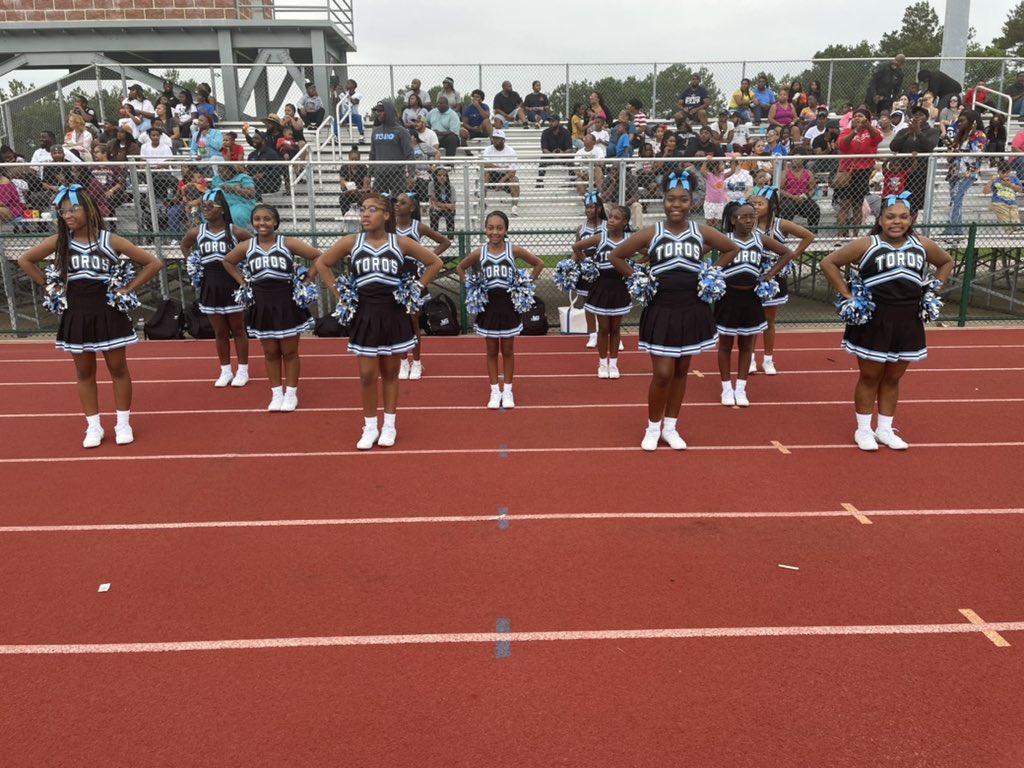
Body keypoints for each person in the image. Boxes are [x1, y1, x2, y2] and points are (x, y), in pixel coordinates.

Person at [17, 186, 162, 448]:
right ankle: (93, 426)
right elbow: (25, 260)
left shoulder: (111, 240)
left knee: (118, 369)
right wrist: (49, 286)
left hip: (108, 312)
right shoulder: (61, 242)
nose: (67, 215)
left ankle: (122, 422)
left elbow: (154, 263)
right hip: (76, 312)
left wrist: (127, 289)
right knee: (84, 372)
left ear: (89, 209)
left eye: (73, 209)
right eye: (62, 211)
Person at [608, 170, 740, 451]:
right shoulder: (651, 232)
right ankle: (652, 427)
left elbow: (731, 249)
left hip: (692, 307)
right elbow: (616, 256)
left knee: (682, 371)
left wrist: (711, 272)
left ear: (692, 202)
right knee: (663, 373)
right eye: (670, 199)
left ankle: (671, 427)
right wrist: (638, 277)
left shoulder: (700, 232)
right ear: (663, 201)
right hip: (662, 309)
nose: (676, 205)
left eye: (682, 200)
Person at [820, 195, 953, 451]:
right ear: (879, 220)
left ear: (911, 219)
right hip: (874, 318)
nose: (897, 222)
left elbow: (946, 261)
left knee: (893, 377)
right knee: (870, 376)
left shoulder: (922, 244)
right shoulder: (868, 244)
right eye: (890, 216)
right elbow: (829, 262)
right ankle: (863, 430)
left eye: (903, 216)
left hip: (908, 319)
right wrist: (848, 295)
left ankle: (884, 429)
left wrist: (933, 291)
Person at [318, 193, 442, 448]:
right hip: (365, 312)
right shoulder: (351, 242)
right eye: (363, 209)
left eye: (372, 209)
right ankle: (369, 426)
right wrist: (339, 294)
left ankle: (389, 426)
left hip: (393, 312)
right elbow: (322, 263)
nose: (365, 214)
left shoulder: (401, 243)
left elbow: (434, 262)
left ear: (386, 215)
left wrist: (416, 288)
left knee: (390, 372)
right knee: (366, 374)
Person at [223, 204, 321, 412]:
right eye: (257, 219)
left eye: (267, 219)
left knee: (290, 352)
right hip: (262, 304)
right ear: (252, 223)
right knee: (269, 352)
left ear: (275, 222)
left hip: (286, 302)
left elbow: (319, 257)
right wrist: (243, 282)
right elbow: (228, 262)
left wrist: (306, 280)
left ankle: (291, 394)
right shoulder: (247, 246)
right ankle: (276, 393)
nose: (262, 223)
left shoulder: (287, 243)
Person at [455, 210, 544, 409]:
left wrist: (526, 283)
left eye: (499, 228)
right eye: (490, 228)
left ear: (506, 230)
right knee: (491, 349)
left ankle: (508, 390)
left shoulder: (514, 250)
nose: (495, 232)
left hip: (508, 304)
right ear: (486, 229)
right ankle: (494, 390)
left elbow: (539, 264)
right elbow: (460, 268)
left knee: (509, 349)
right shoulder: (480, 252)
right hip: (488, 305)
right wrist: (472, 284)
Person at [715, 200, 794, 406]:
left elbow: (787, 253)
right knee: (725, 344)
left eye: (752, 216)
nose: (749, 220)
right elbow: (698, 251)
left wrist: (769, 274)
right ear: (733, 220)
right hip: (728, 297)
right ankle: (726, 388)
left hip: (751, 297)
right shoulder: (725, 239)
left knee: (747, 344)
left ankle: (741, 388)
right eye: (744, 217)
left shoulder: (760, 239)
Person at [180, 190, 254, 387]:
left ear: (222, 210)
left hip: (231, 283)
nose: (205, 210)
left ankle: (243, 370)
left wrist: (246, 269)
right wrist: (192, 265)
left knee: (238, 329)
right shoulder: (197, 232)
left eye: (210, 207)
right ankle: (225, 370)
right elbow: (185, 245)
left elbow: (253, 245)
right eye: (203, 207)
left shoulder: (235, 231)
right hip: (210, 284)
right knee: (219, 331)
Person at [748, 185, 815, 375]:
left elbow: (808, 236)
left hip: (774, 275)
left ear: (771, 206)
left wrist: (792, 256)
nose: (756, 207)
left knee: (769, 320)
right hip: (753, 274)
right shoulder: (747, 222)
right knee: (753, 319)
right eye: (754, 204)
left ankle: (768, 359)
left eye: (760, 204)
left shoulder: (780, 224)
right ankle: (750, 358)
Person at [392, 191, 451, 380]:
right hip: (394, 278)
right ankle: (402, 362)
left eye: (402, 202)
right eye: (396, 202)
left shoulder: (418, 227)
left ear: (411, 208)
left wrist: (428, 258)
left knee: (413, 321)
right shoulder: (388, 228)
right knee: (398, 322)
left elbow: (445, 241)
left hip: (414, 280)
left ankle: (416, 362)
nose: (397, 205)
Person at [572, 204, 635, 378]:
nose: (612, 221)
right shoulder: (601, 238)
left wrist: (636, 266)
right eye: (611, 217)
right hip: (601, 286)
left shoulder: (629, 240)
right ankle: (602, 363)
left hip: (619, 287)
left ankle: (613, 364)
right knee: (604, 328)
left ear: (625, 222)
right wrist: (587, 264)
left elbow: (648, 252)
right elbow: (577, 247)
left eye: (616, 218)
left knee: (615, 328)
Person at [835, 107, 882, 236]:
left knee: (857, 205)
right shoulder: (847, 131)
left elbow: (878, 138)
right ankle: (840, 236)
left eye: (860, 116)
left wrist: (868, 127)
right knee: (844, 205)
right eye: (855, 116)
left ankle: (855, 236)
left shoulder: (871, 132)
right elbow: (841, 145)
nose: (857, 118)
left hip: (863, 171)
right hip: (847, 172)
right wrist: (855, 131)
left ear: (867, 119)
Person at [943, 110, 987, 237]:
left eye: (962, 121)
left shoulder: (979, 135)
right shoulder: (960, 135)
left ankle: (952, 228)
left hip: (968, 172)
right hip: (954, 172)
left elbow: (978, 153)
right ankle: (956, 228)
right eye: (959, 121)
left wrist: (972, 136)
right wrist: (950, 147)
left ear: (972, 121)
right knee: (955, 200)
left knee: (957, 197)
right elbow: (951, 156)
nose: (960, 123)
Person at [889, 105, 940, 214]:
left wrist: (918, 133)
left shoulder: (932, 132)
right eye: (915, 115)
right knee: (900, 202)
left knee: (914, 204)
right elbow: (893, 146)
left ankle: (910, 228)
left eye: (921, 115)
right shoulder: (903, 131)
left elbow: (929, 146)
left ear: (926, 118)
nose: (917, 117)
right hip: (902, 172)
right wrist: (908, 133)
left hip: (920, 173)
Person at [574, 192, 608, 348]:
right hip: (586, 266)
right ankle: (592, 335)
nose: (588, 210)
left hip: (604, 265)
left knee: (606, 302)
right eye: (586, 207)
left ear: (599, 208)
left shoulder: (607, 226)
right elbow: (576, 250)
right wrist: (568, 266)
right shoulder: (581, 229)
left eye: (592, 207)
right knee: (588, 302)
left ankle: (608, 333)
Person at [369, 100, 414, 197]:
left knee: (398, 202)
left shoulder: (401, 131)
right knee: (377, 202)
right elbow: (372, 154)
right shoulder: (376, 131)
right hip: (379, 175)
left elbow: (409, 154)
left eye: (381, 111)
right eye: (377, 111)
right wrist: (368, 174)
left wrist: (411, 175)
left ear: (388, 111)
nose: (378, 114)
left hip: (397, 175)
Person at [482, 129, 520, 215]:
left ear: (503, 140)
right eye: (493, 138)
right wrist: (498, 167)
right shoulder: (488, 149)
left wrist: (502, 180)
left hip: (506, 176)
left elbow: (512, 171)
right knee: (486, 174)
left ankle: (514, 208)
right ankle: (482, 202)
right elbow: (486, 164)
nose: (494, 141)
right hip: (492, 174)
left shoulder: (511, 151)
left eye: (497, 139)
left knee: (514, 180)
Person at [779, 156, 820, 229]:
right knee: (787, 207)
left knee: (814, 209)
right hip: (789, 198)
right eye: (794, 159)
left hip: (803, 198)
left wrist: (805, 196)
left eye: (798, 159)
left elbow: (812, 189)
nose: (796, 161)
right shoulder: (785, 173)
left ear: (802, 161)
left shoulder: (808, 173)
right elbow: (780, 189)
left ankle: (812, 232)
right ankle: (785, 231)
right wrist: (793, 197)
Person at [984, 160, 1023, 232]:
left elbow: (1020, 190)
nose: (1005, 175)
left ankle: (1016, 228)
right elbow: (985, 192)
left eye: (1007, 173)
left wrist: (1010, 185)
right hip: (999, 202)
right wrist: (991, 180)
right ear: (998, 172)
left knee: (1014, 214)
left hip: (1012, 203)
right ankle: (1010, 230)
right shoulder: (996, 180)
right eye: (1003, 173)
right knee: (1004, 215)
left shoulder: (1013, 179)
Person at [537, 113, 573, 187]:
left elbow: (569, 149)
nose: (550, 123)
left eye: (553, 121)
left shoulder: (566, 132)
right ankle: (540, 182)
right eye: (549, 121)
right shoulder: (545, 132)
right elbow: (544, 150)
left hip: (563, 155)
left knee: (572, 160)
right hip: (550, 155)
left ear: (558, 122)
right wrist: (552, 154)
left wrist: (562, 153)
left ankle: (573, 181)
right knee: (542, 160)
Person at [338, 146, 371, 214]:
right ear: (348, 159)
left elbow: (366, 188)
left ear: (359, 159)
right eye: (351, 160)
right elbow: (342, 185)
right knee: (342, 198)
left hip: (360, 192)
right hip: (348, 192)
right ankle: (345, 216)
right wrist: (347, 185)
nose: (354, 162)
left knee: (363, 197)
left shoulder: (364, 168)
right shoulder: (344, 167)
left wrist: (357, 190)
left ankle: (362, 214)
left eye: (356, 160)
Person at [699, 159, 727, 227]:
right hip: (710, 202)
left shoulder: (722, 175)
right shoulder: (709, 176)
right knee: (709, 222)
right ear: (715, 166)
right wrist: (706, 161)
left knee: (717, 222)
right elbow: (702, 171)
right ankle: (708, 232)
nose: (723, 166)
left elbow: (732, 171)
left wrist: (733, 161)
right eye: (721, 164)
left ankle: (714, 232)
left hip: (720, 203)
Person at [429, 167, 457, 234]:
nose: (442, 177)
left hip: (447, 210)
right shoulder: (431, 185)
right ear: (435, 176)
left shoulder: (451, 187)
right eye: (439, 175)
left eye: (444, 175)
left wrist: (440, 205)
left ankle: (450, 237)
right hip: (437, 209)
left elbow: (453, 206)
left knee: (450, 215)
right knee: (434, 213)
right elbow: (433, 203)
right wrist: (446, 206)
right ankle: (434, 235)